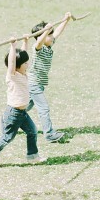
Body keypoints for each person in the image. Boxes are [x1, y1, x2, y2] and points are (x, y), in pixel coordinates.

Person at [0, 36, 46, 168]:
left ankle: (33, 156)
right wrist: (12, 46)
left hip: (22, 113)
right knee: (8, 137)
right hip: (13, 113)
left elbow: (21, 56)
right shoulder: (12, 76)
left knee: (32, 131)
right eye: (25, 64)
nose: (27, 65)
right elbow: (12, 63)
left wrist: (25, 42)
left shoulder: (23, 74)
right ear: (17, 66)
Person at [27, 12, 73, 143]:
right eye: (49, 35)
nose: (52, 37)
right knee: (44, 108)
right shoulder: (38, 47)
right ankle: (49, 134)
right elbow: (39, 41)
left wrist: (65, 20)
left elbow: (57, 32)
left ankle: (9, 118)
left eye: (51, 34)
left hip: (39, 84)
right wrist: (45, 31)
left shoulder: (48, 45)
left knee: (24, 107)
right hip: (34, 83)